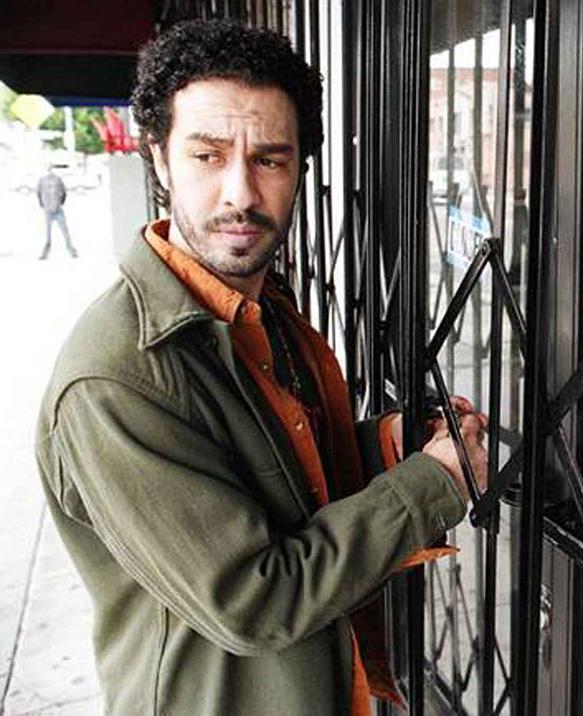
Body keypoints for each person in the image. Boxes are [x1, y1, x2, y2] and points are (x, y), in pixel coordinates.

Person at [35, 19, 487, 715]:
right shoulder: (117, 377)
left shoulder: (257, 308)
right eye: (208, 156)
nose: (240, 194)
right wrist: (433, 484)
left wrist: (385, 447)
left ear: (300, 168)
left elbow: (274, 486)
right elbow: (254, 600)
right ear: (159, 160)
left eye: (270, 160)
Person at [36, 167, 78, 259]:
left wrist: (61, 202)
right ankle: (45, 253)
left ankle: (71, 251)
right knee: (48, 233)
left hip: (57, 209)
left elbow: (64, 192)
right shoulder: (42, 180)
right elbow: (38, 192)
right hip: (49, 209)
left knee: (64, 231)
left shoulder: (57, 179)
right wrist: (42, 203)